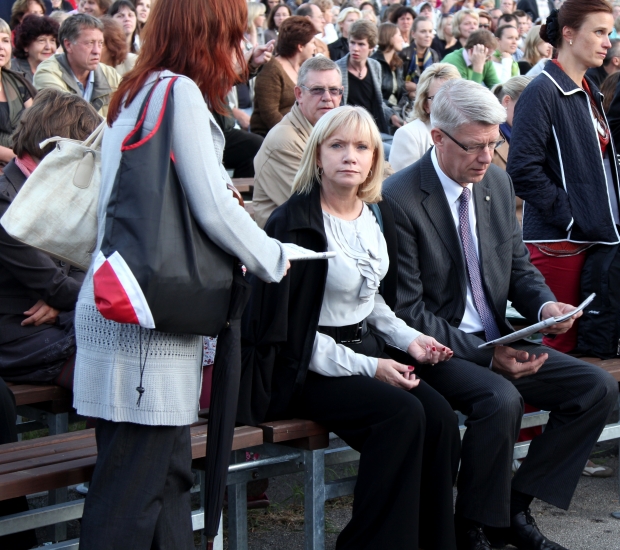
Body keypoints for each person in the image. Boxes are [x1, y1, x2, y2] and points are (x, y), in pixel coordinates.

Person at [73, 0, 291, 546]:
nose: (240, 51)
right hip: (146, 328)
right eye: (233, 37)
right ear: (207, 34)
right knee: (135, 493)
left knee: (162, 482)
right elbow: (214, 204)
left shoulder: (139, 89)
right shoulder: (178, 92)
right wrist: (274, 257)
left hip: (136, 313)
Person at [382, 78, 618, 550]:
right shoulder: (399, 198)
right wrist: (489, 357)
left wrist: (546, 306)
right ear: (438, 138)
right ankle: (471, 526)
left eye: (494, 143)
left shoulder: (493, 179)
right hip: (434, 350)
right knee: (500, 400)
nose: (487, 157)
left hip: (499, 338)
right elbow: (406, 311)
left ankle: (511, 508)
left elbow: (518, 268)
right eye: (474, 146)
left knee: (596, 388)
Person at [239, 104, 460, 550]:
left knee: (438, 418)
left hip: (363, 352)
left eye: (361, 147)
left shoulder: (377, 215)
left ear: (375, 158)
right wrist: (370, 367)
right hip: (304, 367)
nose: (350, 156)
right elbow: (286, 331)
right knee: (401, 415)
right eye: (337, 145)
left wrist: (411, 340)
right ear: (317, 155)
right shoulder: (294, 220)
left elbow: (372, 300)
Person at [507, 0, 620, 354]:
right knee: (559, 349)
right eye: (599, 32)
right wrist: (572, 218)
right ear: (568, 34)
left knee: (586, 347)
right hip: (561, 244)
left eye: (610, 33)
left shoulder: (590, 88)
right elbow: (522, 170)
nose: (608, 42)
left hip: (595, 238)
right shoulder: (542, 90)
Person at [0, 88, 100, 387]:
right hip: (17, 332)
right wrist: (67, 300)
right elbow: (52, 284)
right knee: (113, 356)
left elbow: (88, 267)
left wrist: (61, 306)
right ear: (60, 148)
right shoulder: (6, 203)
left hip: (57, 322)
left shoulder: (57, 191)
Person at [253, 56, 342, 227]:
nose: (327, 97)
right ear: (299, 94)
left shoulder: (335, 128)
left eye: (333, 90)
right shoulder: (284, 141)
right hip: (290, 242)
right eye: (317, 90)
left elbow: (382, 171)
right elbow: (320, 205)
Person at [336, 19, 402, 156]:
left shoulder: (375, 66)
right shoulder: (337, 69)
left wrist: (392, 116)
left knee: (405, 146)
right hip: (351, 132)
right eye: (352, 42)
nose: (355, 48)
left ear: (371, 47)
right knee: (394, 153)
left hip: (374, 129)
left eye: (361, 44)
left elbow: (378, 101)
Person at [33, 14, 121, 116]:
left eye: (100, 43)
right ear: (68, 45)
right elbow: (67, 119)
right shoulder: (47, 73)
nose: (97, 51)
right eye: (90, 43)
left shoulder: (111, 75)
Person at [250, 16, 316, 136]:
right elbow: (270, 114)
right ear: (300, 46)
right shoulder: (272, 69)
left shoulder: (303, 68)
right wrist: (295, 136)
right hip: (272, 137)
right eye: (312, 43)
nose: (314, 47)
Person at [389, 62, 460, 171]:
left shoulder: (467, 132)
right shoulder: (408, 135)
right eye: (439, 97)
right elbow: (401, 185)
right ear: (425, 104)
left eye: (454, 95)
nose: (448, 102)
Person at [0, 18, 35, 168]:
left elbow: (37, 126)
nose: (1, 47)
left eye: (5, 40)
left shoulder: (18, 82)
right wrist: (21, 161)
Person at [11, 14, 58, 82]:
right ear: (26, 46)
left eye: (52, 40)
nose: (48, 47)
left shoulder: (60, 70)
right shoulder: (13, 71)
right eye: (41, 40)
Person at [372, 23, 406, 113]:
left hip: (397, 111)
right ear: (390, 37)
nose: (402, 40)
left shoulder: (397, 62)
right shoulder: (374, 63)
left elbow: (402, 92)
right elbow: (376, 97)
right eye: (399, 35)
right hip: (382, 113)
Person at [401, 15, 440, 94]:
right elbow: (399, 84)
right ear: (413, 34)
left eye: (430, 31)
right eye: (423, 31)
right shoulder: (404, 54)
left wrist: (417, 87)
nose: (428, 35)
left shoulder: (433, 55)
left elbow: (437, 83)